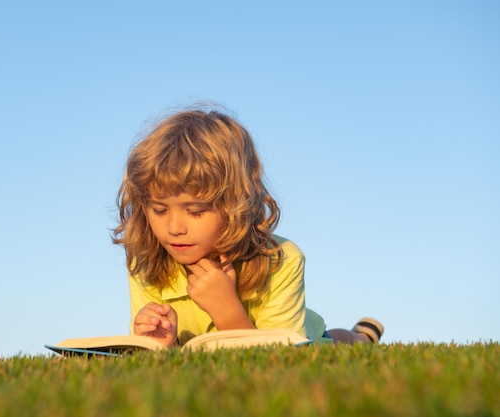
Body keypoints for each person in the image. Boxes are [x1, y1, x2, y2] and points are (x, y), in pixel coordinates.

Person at [112, 107, 384, 348]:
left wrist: (227, 310)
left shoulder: (283, 260)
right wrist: (158, 342)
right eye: (159, 210)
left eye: (195, 211)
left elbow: (280, 361)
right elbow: (156, 353)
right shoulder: (146, 263)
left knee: (333, 342)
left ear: (235, 205)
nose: (173, 228)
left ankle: (361, 335)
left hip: (304, 333)